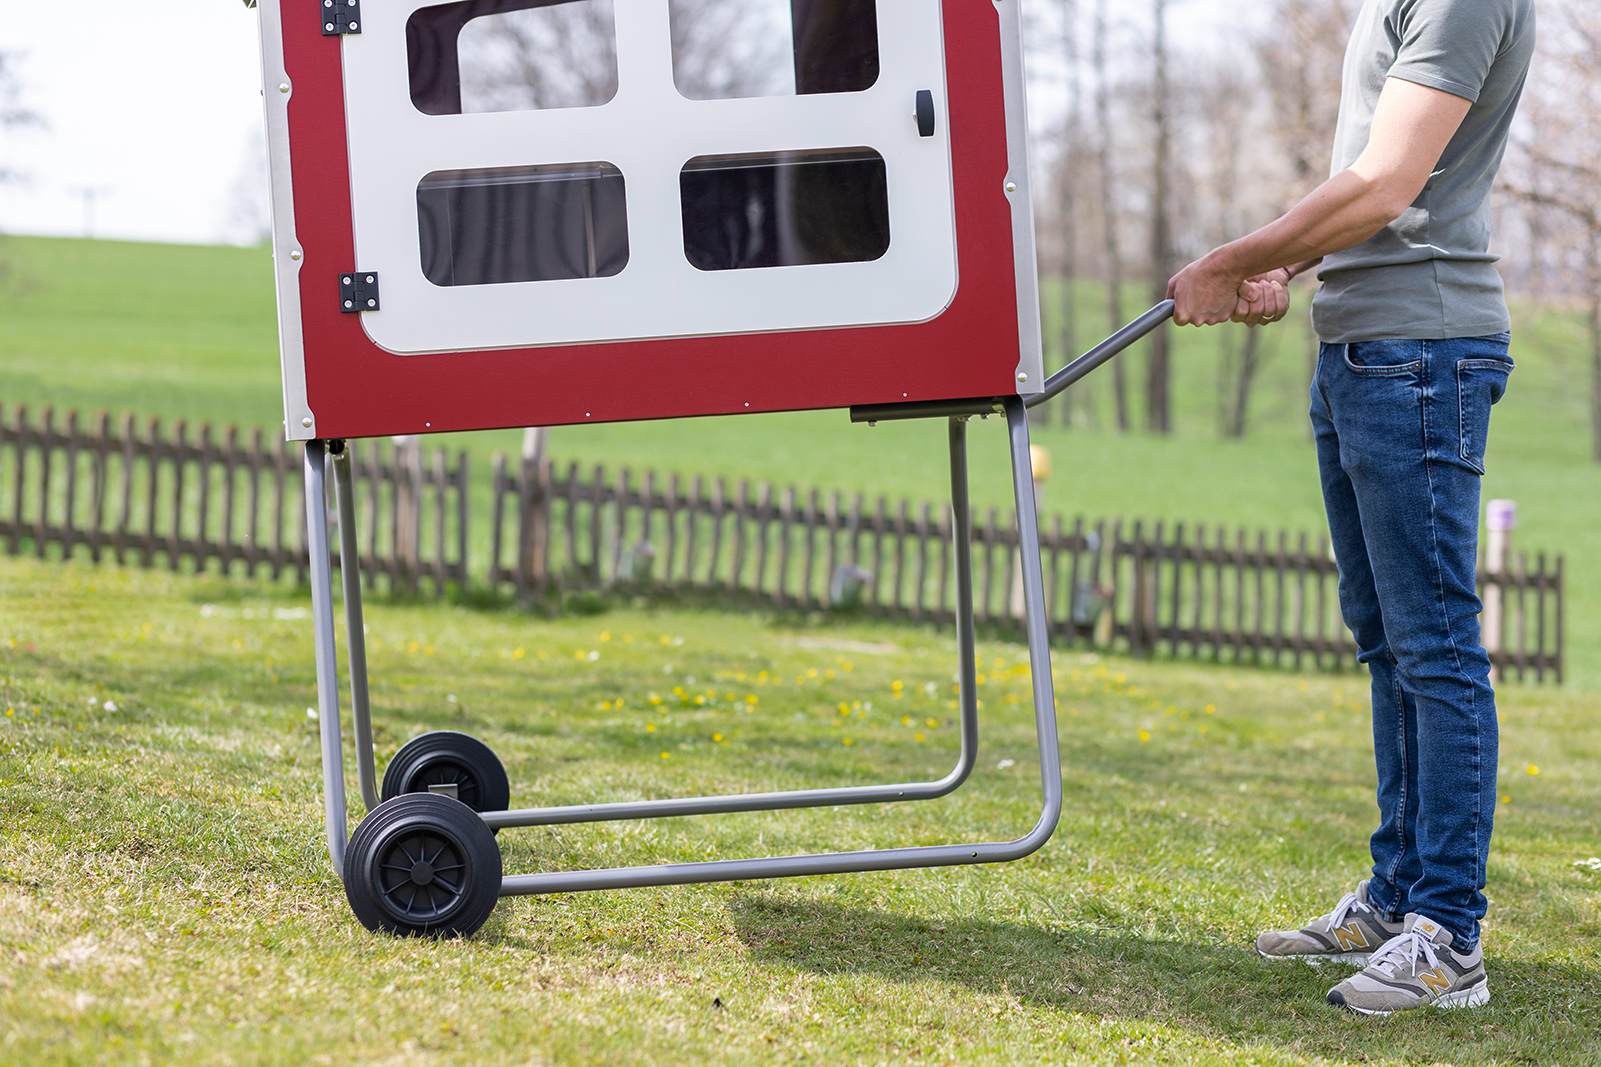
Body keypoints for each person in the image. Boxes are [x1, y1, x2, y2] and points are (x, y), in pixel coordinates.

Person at [1167, 0, 1535, 1015]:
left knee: (1434, 646)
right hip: (1360, 348)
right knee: (1386, 640)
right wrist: (1285, 260)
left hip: (1420, 351)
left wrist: (1233, 258)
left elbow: (1385, 182)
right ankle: (1395, 897)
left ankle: (1447, 935)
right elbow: (1367, 187)